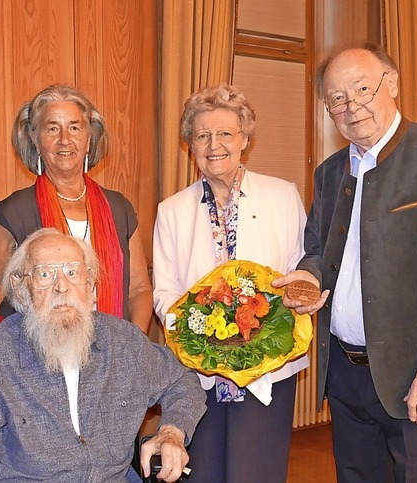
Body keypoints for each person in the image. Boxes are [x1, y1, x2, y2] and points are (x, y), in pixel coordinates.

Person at [273, 43, 417, 482]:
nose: (352, 106)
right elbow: (316, 249)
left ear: (392, 83)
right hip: (346, 377)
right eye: (337, 98)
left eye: (362, 89)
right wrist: (308, 278)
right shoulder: (331, 171)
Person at [0, 228, 206, 482]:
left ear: (91, 284)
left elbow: (180, 381)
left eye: (73, 273)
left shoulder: (123, 344)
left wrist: (172, 432)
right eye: (44, 274)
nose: (61, 287)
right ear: (22, 289)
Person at [153, 83, 309, 482]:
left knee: (258, 469)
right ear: (190, 144)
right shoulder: (171, 210)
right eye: (202, 135)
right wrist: (199, 333)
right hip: (199, 372)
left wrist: (270, 325)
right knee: (204, 469)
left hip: (268, 367)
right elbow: (165, 291)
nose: (214, 144)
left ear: (245, 139)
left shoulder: (282, 195)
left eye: (225, 133)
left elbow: (299, 272)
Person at [0, 85, 153, 336]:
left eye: (75, 128)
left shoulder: (120, 208)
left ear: (89, 137)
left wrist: (134, 344)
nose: (65, 139)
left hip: (110, 355)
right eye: (52, 128)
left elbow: (139, 289)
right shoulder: (15, 211)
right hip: (34, 357)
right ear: (34, 138)